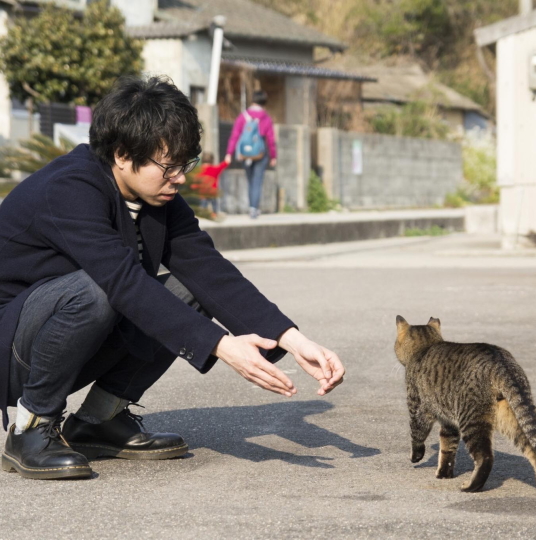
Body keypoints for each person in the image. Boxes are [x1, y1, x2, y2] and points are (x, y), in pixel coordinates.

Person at [0, 76, 344, 480]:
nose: (179, 177)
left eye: (186, 164)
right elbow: (123, 283)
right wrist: (222, 347)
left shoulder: (157, 195)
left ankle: (99, 421)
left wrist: (292, 338)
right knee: (99, 290)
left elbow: (209, 270)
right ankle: (32, 426)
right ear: (123, 154)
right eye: (169, 166)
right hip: (13, 347)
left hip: (68, 333)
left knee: (186, 292)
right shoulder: (70, 188)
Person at [224, 90, 276, 219]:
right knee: (257, 182)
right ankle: (254, 209)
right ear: (264, 102)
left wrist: (229, 153)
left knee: (250, 181)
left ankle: (251, 207)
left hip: (245, 154)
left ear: (252, 100)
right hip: (260, 154)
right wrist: (273, 156)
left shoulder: (243, 116)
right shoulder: (266, 118)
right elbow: (271, 139)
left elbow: (235, 135)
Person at [195, 151, 228, 218]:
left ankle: (202, 214)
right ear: (212, 160)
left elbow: (196, 181)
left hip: (203, 192)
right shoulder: (214, 169)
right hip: (213, 191)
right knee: (214, 204)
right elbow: (222, 166)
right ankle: (215, 213)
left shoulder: (199, 170)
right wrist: (226, 161)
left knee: (203, 204)